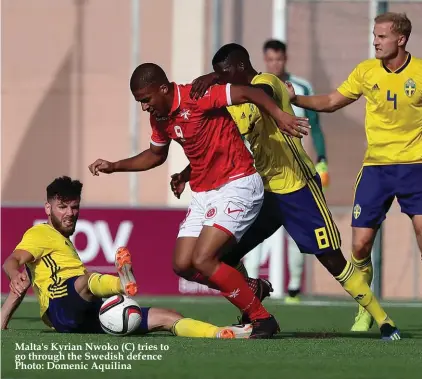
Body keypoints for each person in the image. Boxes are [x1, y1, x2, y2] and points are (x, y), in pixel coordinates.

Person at [172, 43, 401, 340]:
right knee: (221, 256)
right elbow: (222, 144)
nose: (223, 80)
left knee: (332, 259)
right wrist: (186, 173)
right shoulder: (237, 102)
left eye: (225, 74)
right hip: (263, 192)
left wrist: (215, 80)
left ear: (240, 67)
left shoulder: (267, 82)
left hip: (298, 187)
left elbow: (264, 96)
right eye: (219, 76)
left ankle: (382, 319)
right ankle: (253, 303)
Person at [88, 63, 310, 339]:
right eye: (139, 102)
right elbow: (156, 155)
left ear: (163, 89)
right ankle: (251, 287)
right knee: (182, 265)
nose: (144, 107)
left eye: (146, 100)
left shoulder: (198, 95)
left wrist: (279, 115)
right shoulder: (159, 118)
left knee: (204, 259)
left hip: (238, 183)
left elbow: (248, 92)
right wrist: (114, 165)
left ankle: (263, 319)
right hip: (205, 193)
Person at [286, 12, 421, 332]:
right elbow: (332, 101)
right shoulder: (366, 71)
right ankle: (365, 306)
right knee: (359, 246)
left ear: (401, 40)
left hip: (416, 167)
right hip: (376, 168)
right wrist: (297, 99)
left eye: (382, 36)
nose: (375, 41)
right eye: (374, 35)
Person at [1, 176, 251, 339]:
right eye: (62, 207)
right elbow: (11, 261)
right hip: (61, 306)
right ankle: (121, 284)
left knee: (168, 317)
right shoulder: (40, 232)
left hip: (84, 312)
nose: (70, 213)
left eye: (74, 207)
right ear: (48, 208)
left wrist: (3, 319)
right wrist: (14, 274)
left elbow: (18, 288)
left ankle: (220, 333)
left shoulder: (62, 241)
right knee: (85, 281)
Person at [262, 39, 329, 303]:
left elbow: (316, 125)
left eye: (278, 59)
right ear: (265, 60)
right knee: (256, 229)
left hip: (295, 169)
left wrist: (322, 158)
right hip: (264, 171)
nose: (274, 63)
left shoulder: (299, 88)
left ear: (285, 58)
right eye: (270, 59)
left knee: (296, 230)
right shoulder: (257, 87)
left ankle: (293, 289)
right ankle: (252, 283)